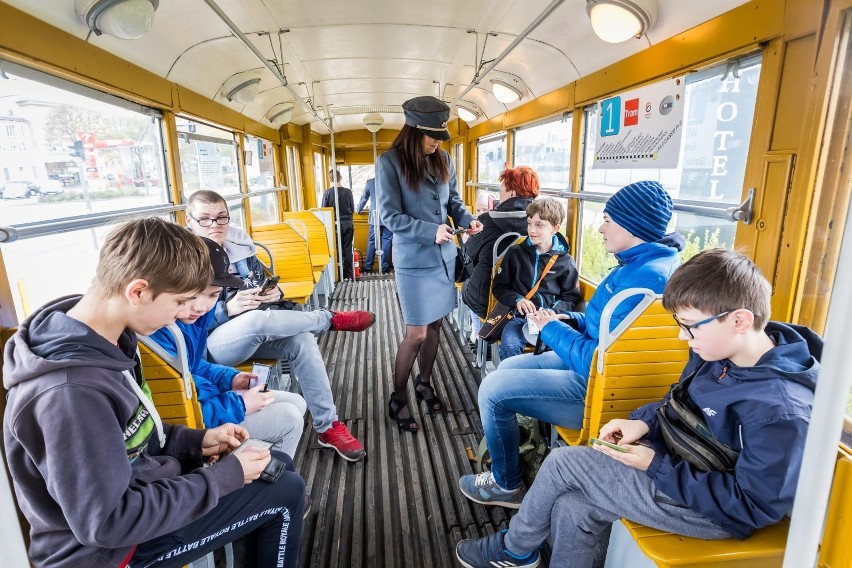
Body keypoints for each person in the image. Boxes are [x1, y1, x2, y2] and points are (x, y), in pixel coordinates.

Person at [454, 248, 820, 568]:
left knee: (565, 462)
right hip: (681, 465)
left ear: (739, 320)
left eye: (689, 327)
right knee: (572, 508)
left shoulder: (780, 409)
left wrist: (653, 465)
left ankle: (515, 549)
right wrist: (645, 424)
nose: (682, 337)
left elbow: (750, 505)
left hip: (714, 510)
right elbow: (678, 403)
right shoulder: (721, 350)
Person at [2, 218, 305, 568]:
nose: (180, 315)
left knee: (276, 466)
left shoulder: (111, 344)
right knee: (285, 494)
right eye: (179, 302)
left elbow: (133, 441)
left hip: (142, 497)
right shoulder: (70, 391)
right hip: (110, 554)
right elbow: (107, 523)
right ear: (138, 291)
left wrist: (195, 441)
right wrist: (225, 477)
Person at [459, 180, 684, 506]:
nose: (601, 229)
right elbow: (603, 329)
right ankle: (516, 449)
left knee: (492, 391)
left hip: (596, 389)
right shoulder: (638, 266)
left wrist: (550, 329)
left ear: (631, 225)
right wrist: (568, 320)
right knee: (507, 365)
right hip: (592, 367)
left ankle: (507, 484)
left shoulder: (646, 282)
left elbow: (597, 359)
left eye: (608, 220)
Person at [186, 190, 370, 461]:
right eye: (205, 219)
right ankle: (328, 318)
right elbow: (191, 322)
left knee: (303, 340)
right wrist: (228, 310)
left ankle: (328, 425)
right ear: (189, 221)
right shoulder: (185, 262)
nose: (215, 225)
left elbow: (267, 280)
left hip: (253, 334)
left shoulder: (241, 250)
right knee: (257, 319)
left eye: (221, 217)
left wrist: (275, 293)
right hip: (213, 347)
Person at [377, 95, 483, 432]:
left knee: (437, 327)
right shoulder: (389, 162)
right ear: (413, 130)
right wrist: (429, 231)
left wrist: (467, 217)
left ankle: (424, 383)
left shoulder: (443, 157)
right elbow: (390, 216)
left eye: (441, 135)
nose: (438, 141)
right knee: (417, 333)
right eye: (432, 135)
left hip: (444, 258)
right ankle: (398, 397)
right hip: (414, 261)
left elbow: (452, 200)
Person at [150, 237, 307, 457]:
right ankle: (266, 480)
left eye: (213, 295)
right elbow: (179, 412)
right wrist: (240, 404)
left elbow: (192, 366)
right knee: (289, 418)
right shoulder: (158, 331)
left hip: (209, 399)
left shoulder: (193, 318)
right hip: (196, 424)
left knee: (297, 401)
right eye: (194, 294)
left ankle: (268, 471)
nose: (202, 306)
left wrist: (230, 378)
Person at [492, 197, 582, 360]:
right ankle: (511, 382)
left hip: (550, 321)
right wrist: (518, 300)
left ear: (555, 229)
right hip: (519, 318)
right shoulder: (515, 253)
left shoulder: (565, 261)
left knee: (554, 355)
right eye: (529, 223)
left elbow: (571, 296)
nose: (531, 230)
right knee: (510, 347)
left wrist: (552, 311)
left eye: (539, 225)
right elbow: (499, 287)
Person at [462, 166, 539, 344]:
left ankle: (478, 333)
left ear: (512, 193)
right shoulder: (542, 223)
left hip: (486, 301)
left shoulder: (486, 221)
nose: (499, 194)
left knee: (469, 282)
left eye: (501, 189)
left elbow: (467, 255)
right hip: (531, 300)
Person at [322, 169, 355, 280]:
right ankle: (347, 275)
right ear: (340, 177)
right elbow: (352, 209)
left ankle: (337, 274)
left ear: (330, 179)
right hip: (347, 223)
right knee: (347, 249)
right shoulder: (348, 192)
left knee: (336, 248)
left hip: (334, 225)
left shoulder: (327, 193)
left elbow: (324, 211)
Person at [356, 177, 393, 273]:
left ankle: (368, 267)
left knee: (372, 241)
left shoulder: (370, 182)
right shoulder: (390, 180)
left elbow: (364, 198)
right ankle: (384, 267)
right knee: (387, 241)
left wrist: (358, 210)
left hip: (374, 217)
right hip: (388, 216)